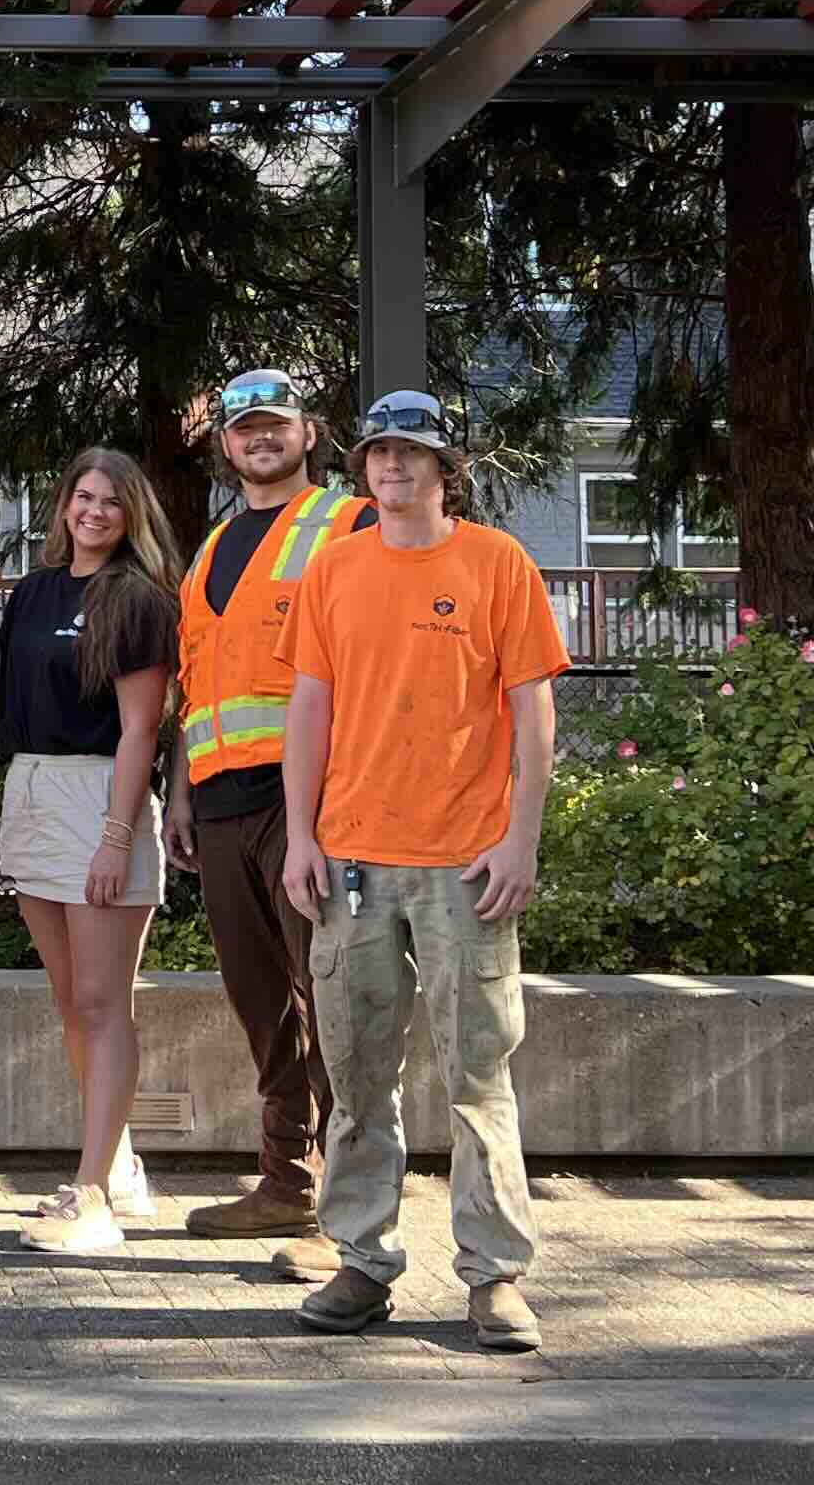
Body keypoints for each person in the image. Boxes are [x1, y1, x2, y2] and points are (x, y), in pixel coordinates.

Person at [280, 389, 569, 1353]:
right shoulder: (333, 570)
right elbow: (308, 715)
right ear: (360, 468)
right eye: (378, 454)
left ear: (446, 469)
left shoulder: (495, 563)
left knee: (476, 1074)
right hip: (352, 857)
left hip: (463, 861)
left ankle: (495, 1278)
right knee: (357, 1074)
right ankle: (362, 1263)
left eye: (412, 454)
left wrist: (518, 840)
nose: (393, 468)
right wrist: (301, 836)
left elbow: (532, 717)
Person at [165, 370, 376, 1269]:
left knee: (331, 998)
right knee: (263, 1002)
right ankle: (284, 1180)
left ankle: (345, 1209)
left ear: (309, 434)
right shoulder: (210, 550)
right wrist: (177, 794)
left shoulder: (348, 523)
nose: (259, 438)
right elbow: (193, 687)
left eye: (275, 425)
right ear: (225, 445)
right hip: (216, 806)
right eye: (244, 427)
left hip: (308, 805)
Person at [0, 447, 181, 1256]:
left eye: (109, 503)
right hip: (32, 788)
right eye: (81, 497)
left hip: (99, 795)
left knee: (101, 1002)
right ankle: (117, 1167)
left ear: (130, 516)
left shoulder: (136, 600)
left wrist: (117, 837)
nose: (92, 512)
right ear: (62, 505)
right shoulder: (33, 593)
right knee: (68, 1001)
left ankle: (90, 1197)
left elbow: (139, 730)